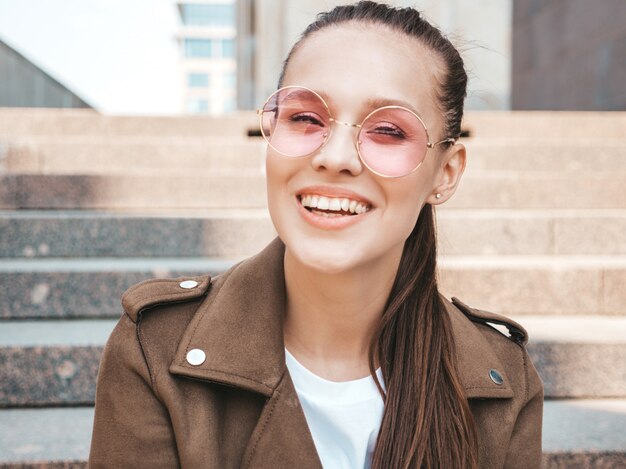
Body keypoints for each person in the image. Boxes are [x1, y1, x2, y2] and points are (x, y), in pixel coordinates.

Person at [89, 2, 543, 468]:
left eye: (387, 130)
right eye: (306, 119)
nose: (335, 156)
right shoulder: (155, 350)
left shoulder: (502, 376)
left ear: (445, 173)